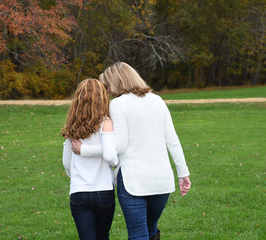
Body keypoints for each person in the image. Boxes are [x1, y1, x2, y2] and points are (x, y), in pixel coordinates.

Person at [72, 62, 191, 240]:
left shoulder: (118, 104)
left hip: (132, 181)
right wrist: (183, 173)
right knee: (151, 229)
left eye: (108, 85)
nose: (108, 91)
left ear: (117, 82)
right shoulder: (157, 100)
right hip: (162, 180)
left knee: (138, 234)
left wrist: (84, 150)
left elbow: (119, 146)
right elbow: (172, 141)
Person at [62, 78, 118, 240]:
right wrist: (114, 163)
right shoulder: (106, 123)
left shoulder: (72, 126)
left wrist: (78, 176)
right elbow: (110, 156)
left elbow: (67, 162)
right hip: (104, 191)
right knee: (102, 236)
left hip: (79, 191)